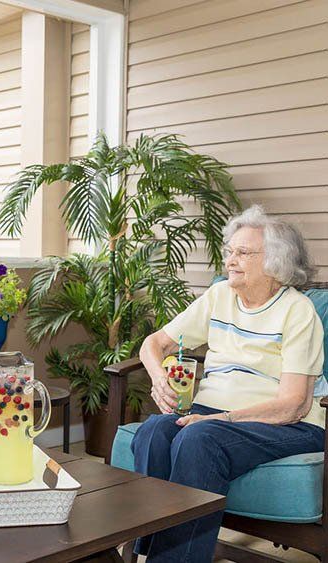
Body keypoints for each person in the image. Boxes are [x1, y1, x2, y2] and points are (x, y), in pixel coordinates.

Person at [132, 205, 325, 562]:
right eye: (229, 251)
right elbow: (153, 344)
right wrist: (159, 379)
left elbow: (294, 403)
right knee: (154, 430)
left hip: (288, 423)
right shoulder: (219, 296)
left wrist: (218, 421)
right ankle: (153, 551)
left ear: (275, 261)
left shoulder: (297, 311)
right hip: (214, 413)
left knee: (199, 437)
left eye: (242, 253)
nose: (230, 261)